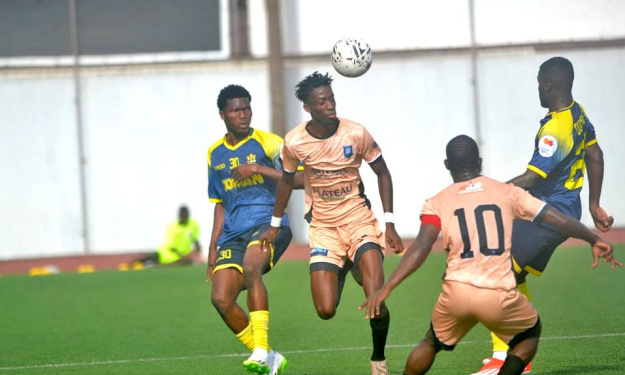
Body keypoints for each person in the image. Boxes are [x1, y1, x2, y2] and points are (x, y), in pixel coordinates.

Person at [359, 135, 619, 375]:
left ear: (447, 164)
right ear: (479, 162)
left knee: (431, 342)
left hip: (456, 291)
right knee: (529, 335)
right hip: (498, 293)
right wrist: (593, 238)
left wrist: (387, 287)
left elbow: (421, 247)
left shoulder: (436, 202)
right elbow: (558, 220)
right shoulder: (507, 192)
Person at [475, 56, 621, 374]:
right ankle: (511, 355)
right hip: (549, 208)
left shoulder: (554, 131)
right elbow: (595, 154)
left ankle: (506, 358)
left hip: (550, 213)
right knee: (506, 268)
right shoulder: (576, 113)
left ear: (547, 85)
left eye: (538, 85)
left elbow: (530, 179)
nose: (537, 91)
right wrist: (594, 203)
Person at [259, 71, 404, 375]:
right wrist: (274, 224)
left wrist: (389, 223)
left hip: (358, 220)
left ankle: (378, 358)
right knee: (325, 310)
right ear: (308, 107)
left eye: (332, 98)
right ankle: (345, 265)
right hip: (324, 229)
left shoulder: (355, 133)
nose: (330, 105)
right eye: (322, 101)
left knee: (375, 296)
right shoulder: (295, 141)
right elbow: (287, 182)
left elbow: (383, 173)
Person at [206, 84, 303, 375]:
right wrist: (213, 247)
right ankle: (271, 358)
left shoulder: (269, 143)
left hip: (269, 224)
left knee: (251, 268)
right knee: (220, 299)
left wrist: (258, 169)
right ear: (223, 114)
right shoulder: (214, 154)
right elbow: (220, 203)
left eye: (246, 108)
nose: (243, 115)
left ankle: (261, 349)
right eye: (236, 110)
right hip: (233, 233)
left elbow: (301, 179)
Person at [134, 205, 202, 267]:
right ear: (179, 216)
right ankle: (134, 264)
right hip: (167, 254)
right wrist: (182, 256)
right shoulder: (172, 226)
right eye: (182, 216)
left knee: (185, 263)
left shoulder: (193, 224)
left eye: (185, 216)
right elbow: (170, 246)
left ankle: (151, 265)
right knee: (152, 257)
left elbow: (195, 239)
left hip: (181, 257)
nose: (184, 218)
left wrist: (198, 251)